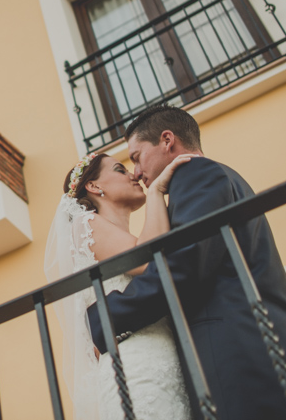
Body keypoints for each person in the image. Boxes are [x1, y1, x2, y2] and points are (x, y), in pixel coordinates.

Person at [85, 105, 286, 420]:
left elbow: (183, 265)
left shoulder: (197, 175)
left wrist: (105, 316)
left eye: (137, 157)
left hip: (241, 357)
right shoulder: (210, 178)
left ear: (167, 141)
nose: (136, 172)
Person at [44, 149, 196, 419]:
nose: (133, 174)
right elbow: (150, 261)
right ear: (94, 186)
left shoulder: (126, 239)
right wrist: (156, 191)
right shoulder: (84, 225)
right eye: (119, 169)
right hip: (135, 369)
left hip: (165, 360)